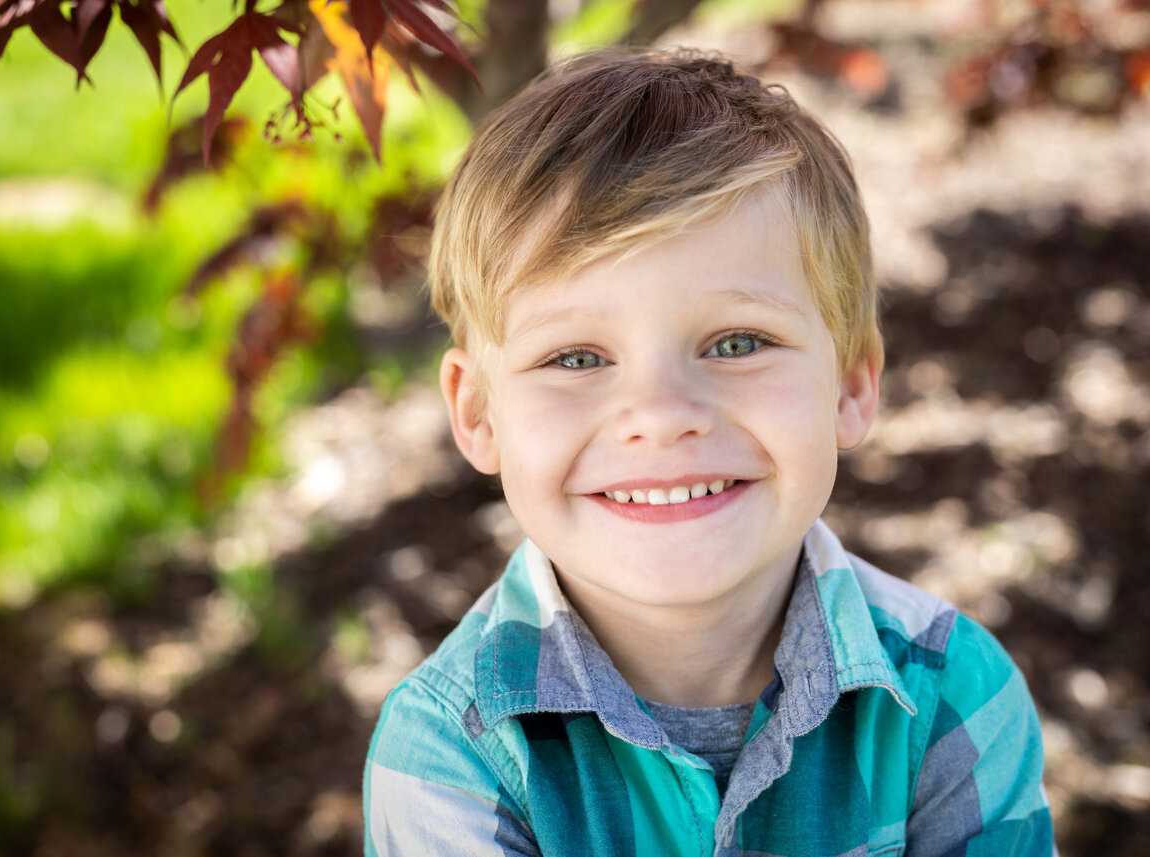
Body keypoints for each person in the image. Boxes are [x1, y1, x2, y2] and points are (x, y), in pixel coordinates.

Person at [363, 48, 1054, 856]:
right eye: (577, 357)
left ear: (852, 384)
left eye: (736, 342)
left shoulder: (951, 698)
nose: (659, 417)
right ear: (478, 411)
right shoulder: (450, 753)